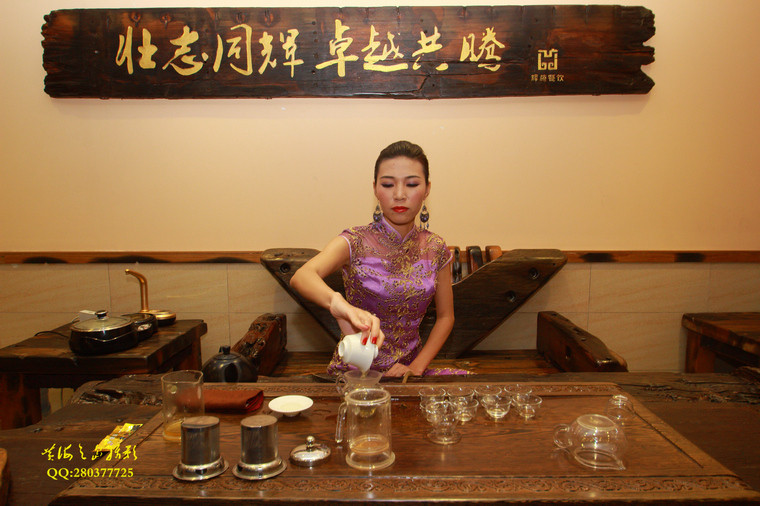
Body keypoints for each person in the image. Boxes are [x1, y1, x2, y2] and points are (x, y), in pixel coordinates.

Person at [289, 140, 455, 377]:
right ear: (375, 188)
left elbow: (446, 317)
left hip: (409, 370)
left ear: (427, 189)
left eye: (411, 184)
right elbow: (302, 276)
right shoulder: (355, 241)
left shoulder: (435, 247)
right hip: (357, 368)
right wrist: (338, 304)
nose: (399, 195)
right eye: (387, 184)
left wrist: (416, 368)